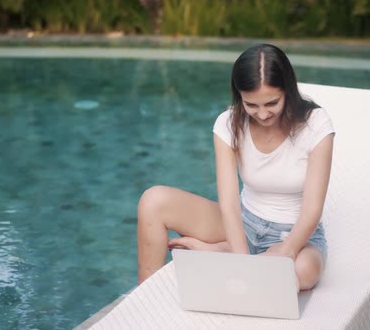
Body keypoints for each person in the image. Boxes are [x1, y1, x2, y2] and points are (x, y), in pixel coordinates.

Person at [137, 44, 335, 291]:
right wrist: (242, 260)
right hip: (243, 223)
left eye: (272, 103)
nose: (262, 115)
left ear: (288, 91)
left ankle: (221, 253)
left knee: (301, 271)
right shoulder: (228, 124)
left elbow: (312, 210)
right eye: (252, 105)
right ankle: (143, 297)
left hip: (295, 235)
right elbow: (229, 204)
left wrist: (287, 250)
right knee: (153, 201)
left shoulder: (315, 125)